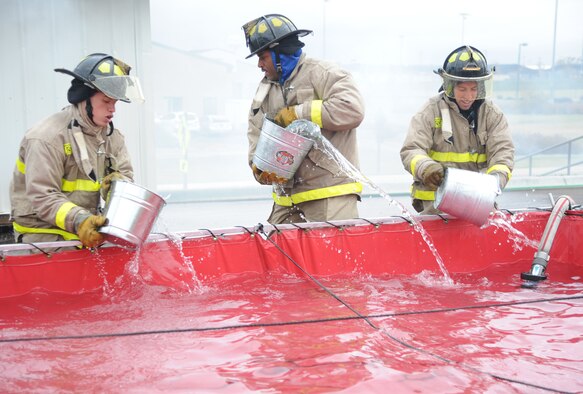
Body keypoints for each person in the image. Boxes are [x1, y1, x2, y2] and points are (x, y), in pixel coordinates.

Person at [9, 53, 144, 250]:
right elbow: (43, 196)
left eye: (115, 102)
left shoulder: (113, 138)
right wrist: (80, 220)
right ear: (83, 97)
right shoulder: (47, 138)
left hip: (86, 231)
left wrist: (117, 186)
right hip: (43, 233)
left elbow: (126, 180)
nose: (112, 109)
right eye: (106, 101)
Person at [242, 14, 365, 224]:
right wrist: (258, 166)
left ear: (280, 52)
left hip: (330, 195)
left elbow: (352, 109)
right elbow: (256, 130)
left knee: (330, 257)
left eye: (263, 57)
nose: (259, 65)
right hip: (286, 199)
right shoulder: (265, 90)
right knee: (276, 254)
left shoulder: (323, 73)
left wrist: (298, 114)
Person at [400, 45, 514, 214]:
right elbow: (411, 150)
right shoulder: (430, 111)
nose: (468, 96)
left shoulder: (492, 115)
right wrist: (427, 168)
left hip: (477, 203)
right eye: (462, 89)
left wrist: (494, 182)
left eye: (474, 89)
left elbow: (503, 154)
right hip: (435, 205)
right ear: (450, 86)